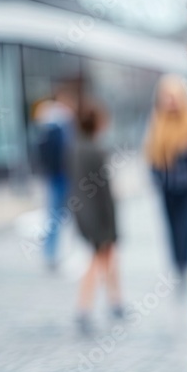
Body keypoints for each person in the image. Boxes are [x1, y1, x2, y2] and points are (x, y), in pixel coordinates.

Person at [144, 75, 187, 285]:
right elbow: (151, 157)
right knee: (171, 227)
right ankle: (177, 264)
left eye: (174, 96)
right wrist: (156, 179)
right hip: (167, 187)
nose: (170, 101)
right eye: (166, 97)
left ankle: (184, 264)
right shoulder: (156, 124)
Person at [69, 100, 123, 333]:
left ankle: (116, 301)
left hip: (84, 214)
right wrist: (111, 225)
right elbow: (104, 192)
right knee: (98, 260)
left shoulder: (74, 148)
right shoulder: (95, 150)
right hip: (99, 218)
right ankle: (85, 307)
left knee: (107, 259)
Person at [33, 91, 75, 272]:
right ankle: (57, 253)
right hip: (63, 176)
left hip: (53, 175)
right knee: (60, 215)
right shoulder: (63, 122)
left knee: (54, 215)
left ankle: (51, 253)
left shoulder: (47, 122)